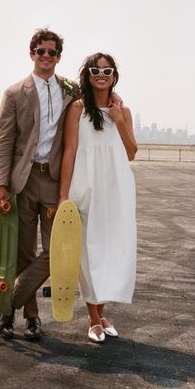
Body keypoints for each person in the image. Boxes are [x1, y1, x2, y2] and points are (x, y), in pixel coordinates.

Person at [0, 28, 79, 340]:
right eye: (40, 51)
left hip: (56, 180)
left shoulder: (71, 91)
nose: (46, 56)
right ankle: (30, 318)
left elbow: (97, 103)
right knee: (25, 252)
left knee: (59, 249)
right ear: (32, 54)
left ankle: (8, 300)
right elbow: (4, 143)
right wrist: (0, 185)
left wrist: (116, 99)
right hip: (24, 181)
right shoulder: (15, 94)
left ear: (58, 57)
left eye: (52, 52)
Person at [59, 53, 137, 343]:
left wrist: (118, 120)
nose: (101, 74)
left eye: (107, 70)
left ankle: (101, 315)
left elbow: (131, 152)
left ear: (114, 75)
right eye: (95, 69)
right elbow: (69, 152)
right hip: (86, 186)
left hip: (116, 189)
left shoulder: (122, 111)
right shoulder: (78, 109)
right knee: (89, 254)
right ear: (88, 75)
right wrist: (64, 196)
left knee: (112, 252)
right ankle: (93, 319)